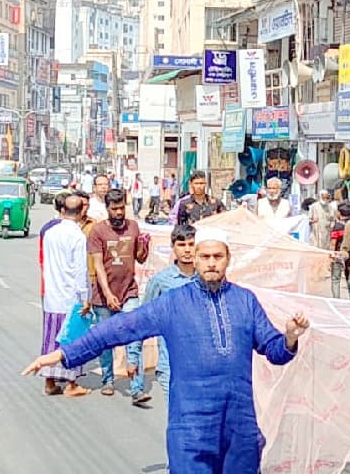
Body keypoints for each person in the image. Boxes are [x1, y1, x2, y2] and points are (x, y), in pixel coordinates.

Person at [23, 227, 310, 473]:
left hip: (239, 425)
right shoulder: (173, 303)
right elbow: (119, 328)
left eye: (217, 257)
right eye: (205, 256)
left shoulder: (245, 301)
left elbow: (275, 351)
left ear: (227, 260)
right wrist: (64, 354)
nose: (211, 263)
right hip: (192, 426)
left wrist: (290, 337)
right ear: (194, 259)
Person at [88, 188, 151, 402]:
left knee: (135, 336)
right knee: (106, 340)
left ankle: (137, 387)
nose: (118, 213)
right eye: (114, 209)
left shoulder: (133, 227)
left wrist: (144, 246)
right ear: (107, 209)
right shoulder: (97, 231)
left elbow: (140, 258)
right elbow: (98, 265)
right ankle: (108, 379)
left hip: (129, 292)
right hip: (103, 296)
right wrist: (107, 293)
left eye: (121, 208)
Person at [39, 194, 91, 397]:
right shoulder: (77, 236)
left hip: (52, 295)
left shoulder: (50, 233)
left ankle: (49, 381)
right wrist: (85, 297)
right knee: (72, 340)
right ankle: (71, 382)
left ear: (62, 211)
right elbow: (80, 270)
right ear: (80, 212)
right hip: (70, 297)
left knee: (50, 339)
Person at [143, 224, 197, 401]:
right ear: (173, 247)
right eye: (182, 245)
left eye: (191, 244)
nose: (187, 250)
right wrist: (134, 359)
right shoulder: (161, 281)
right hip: (170, 365)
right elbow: (142, 319)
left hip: (201, 366)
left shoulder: (207, 279)